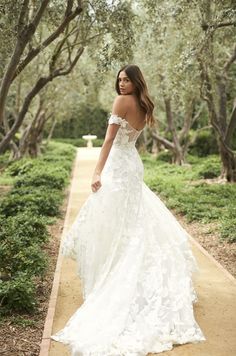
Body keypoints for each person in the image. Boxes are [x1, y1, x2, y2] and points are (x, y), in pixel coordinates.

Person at [51, 64, 206, 355]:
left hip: (118, 167)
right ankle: (115, 271)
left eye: (126, 80)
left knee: (112, 220)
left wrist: (97, 171)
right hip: (132, 165)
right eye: (119, 80)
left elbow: (109, 140)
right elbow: (129, 140)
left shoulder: (121, 102)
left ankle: (110, 275)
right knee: (127, 221)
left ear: (136, 82)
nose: (121, 84)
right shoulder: (144, 106)